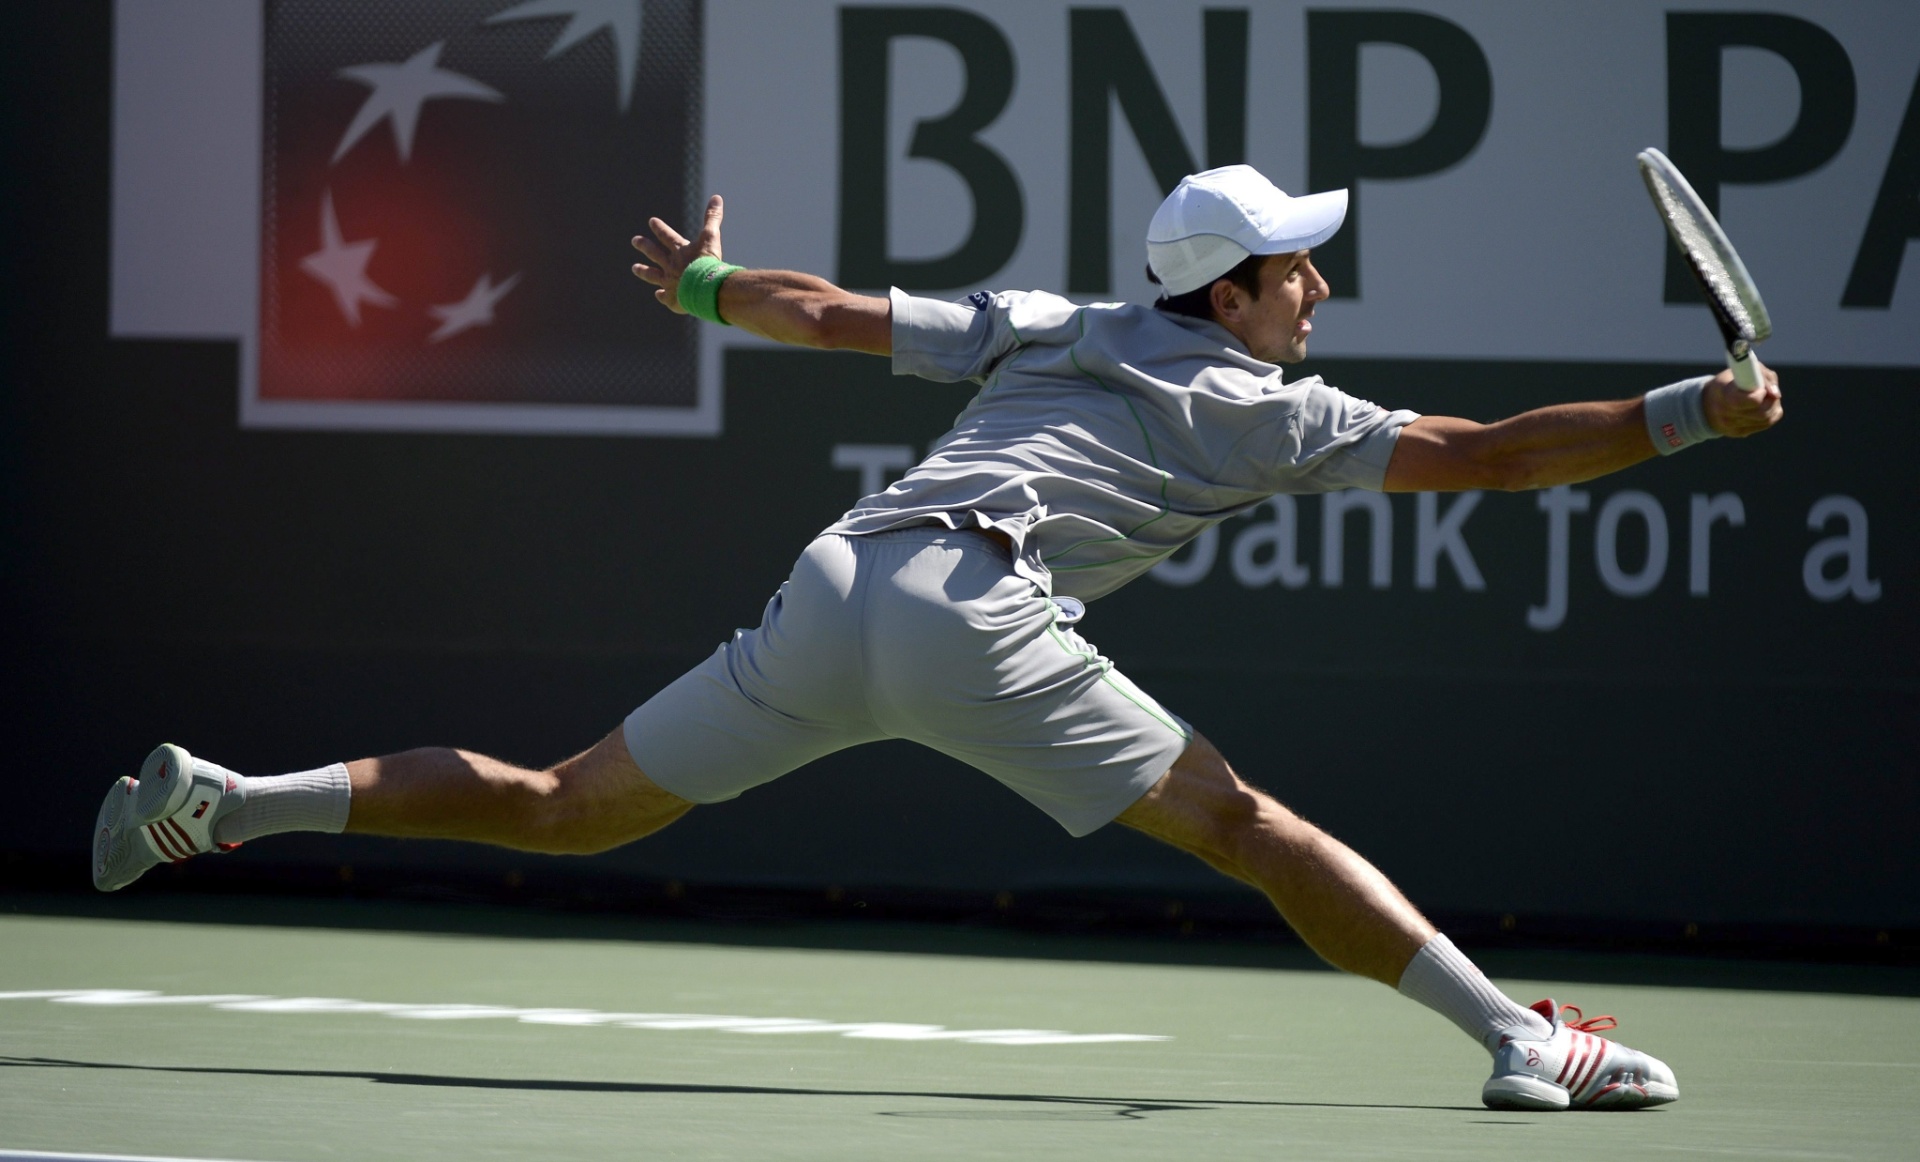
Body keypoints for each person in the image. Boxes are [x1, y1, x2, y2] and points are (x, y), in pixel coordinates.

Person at [92, 165, 1782, 1111]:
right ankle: (1518, 1039)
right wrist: (1692, 415)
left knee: (559, 801)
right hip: (979, 605)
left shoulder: (1058, 321)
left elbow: (816, 315)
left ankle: (221, 800)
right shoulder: (1271, 409)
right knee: (1249, 827)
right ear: (1233, 294)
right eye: (1294, 269)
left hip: (842, 587)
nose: (1317, 291)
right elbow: (1487, 457)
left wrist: (698, 290)